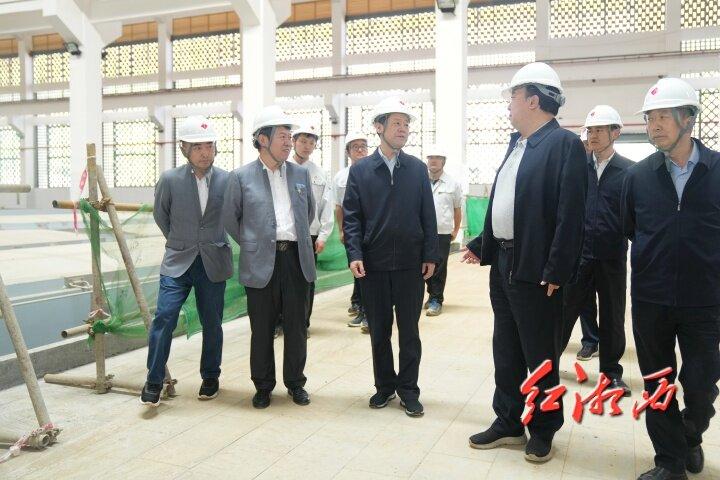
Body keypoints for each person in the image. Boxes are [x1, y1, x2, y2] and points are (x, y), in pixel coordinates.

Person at [461, 62, 587, 462]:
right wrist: (483, 243)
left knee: (540, 355)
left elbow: (571, 214)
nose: (509, 105)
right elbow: (508, 202)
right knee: (507, 349)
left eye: (513, 97)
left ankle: (544, 428)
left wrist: (557, 269)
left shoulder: (564, 145)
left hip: (537, 268)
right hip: (505, 262)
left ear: (533, 100)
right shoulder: (517, 144)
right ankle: (509, 421)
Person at [623, 77, 720, 480]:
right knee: (657, 384)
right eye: (650, 118)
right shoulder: (638, 177)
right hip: (652, 298)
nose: (655, 125)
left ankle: (689, 435)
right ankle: (669, 461)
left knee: (701, 383)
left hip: (705, 299)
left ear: (688, 119)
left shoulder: (717, 170)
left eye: (664, 116)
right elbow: (632, 228)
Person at [343, 97, 439, 417]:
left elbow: (428, 215)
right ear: (379, 127)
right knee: (379, 332)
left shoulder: (417, 169)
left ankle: (409, 390)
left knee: (409, 332)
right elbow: (352, 218)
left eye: (406, 124)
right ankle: (384, 387)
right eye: (397, 123)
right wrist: (354, 253)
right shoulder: (360, 171)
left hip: (411, 265)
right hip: (374, 265)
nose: (403, 129)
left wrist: (430, 254)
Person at [223, 105, 316, 409]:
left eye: (290, 136)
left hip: (296, 260)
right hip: (260, 261)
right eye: (283, 136)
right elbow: (231, 219)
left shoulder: (300, 174)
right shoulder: (240, 177)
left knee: (296, 327)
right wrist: (255, 243)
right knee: (261, 329)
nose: (289, 142)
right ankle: (263, 386)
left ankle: (295, 383)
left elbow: (308, 212)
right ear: (263, 139)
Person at [141, 116, 233, 407]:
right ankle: (154, 380)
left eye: (209, 146)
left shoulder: (228, 180)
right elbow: (161, 215)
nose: (205, 153)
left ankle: (211, 376)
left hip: (213, 261)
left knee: (212, 322)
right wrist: (181, 240)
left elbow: (234, 216)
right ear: (184, 149)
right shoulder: (170, 180)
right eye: (197, 147)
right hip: (178, 260)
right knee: (164, 317)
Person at [561, 105, 633, 396]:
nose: (593, 135)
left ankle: (611, 375)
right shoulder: (577, 168)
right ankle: (546, 365)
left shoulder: (629, 171)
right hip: (578, 255)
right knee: (564, 311)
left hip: (612, 256)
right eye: (590, 130)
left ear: (616, 133)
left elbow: (635, 216)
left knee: (613, 317)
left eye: (600, 130)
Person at [287, 124, 333, 336]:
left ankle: (302, 323)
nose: (307, 146)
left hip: (310, 236)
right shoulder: (282, 169)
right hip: (285, 236)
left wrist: (323, 236)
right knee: (283, 280)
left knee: (307, 281)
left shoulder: (320, 174)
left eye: (311, 142)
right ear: (294, 141)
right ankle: (281, 322)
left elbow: (326, 207)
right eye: (303, 141)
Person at [332, 132, 369, 329]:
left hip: (372, 231)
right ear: (348, 152)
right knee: (358, 271)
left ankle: (368, 311)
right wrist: (342, 230)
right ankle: (362, 308)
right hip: (353, 232)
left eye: (363, 146)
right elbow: (339, 207)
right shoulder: (340, 177)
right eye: (355, 147)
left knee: (371, 272)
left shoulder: (374, 171)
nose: (360, 150)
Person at [424, 145, 463, 316]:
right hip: (422, 232)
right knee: (423, 265)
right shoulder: (420, 182)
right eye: (431, 157)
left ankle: (436, 299)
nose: (433, 161)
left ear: (443, 161)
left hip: (442, 232)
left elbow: (457, 210)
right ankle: (430, 294)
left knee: (439, 267)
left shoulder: (453, 184)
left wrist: (455, 230)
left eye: (437, 158)